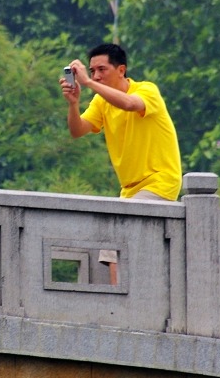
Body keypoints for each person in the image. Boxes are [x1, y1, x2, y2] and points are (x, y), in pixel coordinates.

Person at [60, 43, 182, 284]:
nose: (96, 76)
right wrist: (73, 104)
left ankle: (121, 301)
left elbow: (129, 104)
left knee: (116, 234)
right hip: (129, 190)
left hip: (159, 182)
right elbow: (77, 130)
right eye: (92, 71)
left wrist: (89, 84)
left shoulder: (147, 90)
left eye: (101, 70)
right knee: (117, 242)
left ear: (121, 69)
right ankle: (122, 297)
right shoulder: (101, 101)